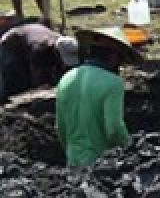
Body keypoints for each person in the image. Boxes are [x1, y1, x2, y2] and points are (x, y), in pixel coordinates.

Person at [56, 27, 142, 167]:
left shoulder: (65, 79)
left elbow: (60, 128)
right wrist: (130, 149)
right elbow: (113, 129)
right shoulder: (113, 83)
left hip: (72, 163)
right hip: (101, 167)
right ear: (115, 56)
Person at [0, 22, 78, 102]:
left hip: (33, 34)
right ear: (57, 51)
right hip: (9, 43)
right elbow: (35, 75)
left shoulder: (66, 43)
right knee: (12, 75)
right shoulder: (40, 48)